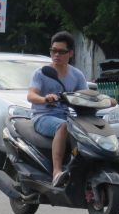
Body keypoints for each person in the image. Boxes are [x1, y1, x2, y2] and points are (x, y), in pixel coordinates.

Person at [27, 31, 88, 187]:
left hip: (67, 116)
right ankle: (57, 172)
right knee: (63, 126)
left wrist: (107, 100)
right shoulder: (41, 73)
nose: (56, 55)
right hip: (43, 116)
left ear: (71, 53)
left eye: (61, 51)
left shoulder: (77, 75)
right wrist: (45, 98)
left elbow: (85, 96)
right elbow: (31, 95)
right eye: (53, 51)